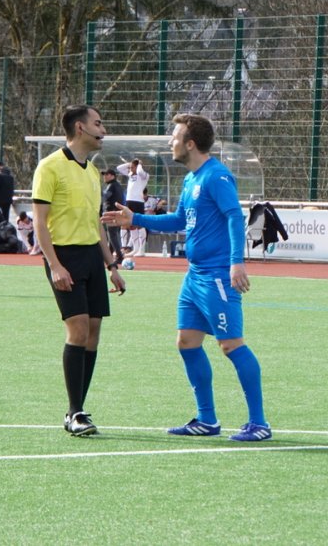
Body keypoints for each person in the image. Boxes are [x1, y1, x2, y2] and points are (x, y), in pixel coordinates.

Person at [102, 113, 271, 442]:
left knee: (230, 344)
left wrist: (236, 263)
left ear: (190, 144)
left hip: (217, 275)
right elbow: (180, 219)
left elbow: (234, 217)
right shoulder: (192, 180)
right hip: (194, 276)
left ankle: (259, 423)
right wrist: (136, 218)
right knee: (187, 343)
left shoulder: (216, 176)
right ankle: (207, 420)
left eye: (175, 137)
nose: (171, 142)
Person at [31, 105, 126, 437]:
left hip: (91, 258)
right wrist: (54, 265)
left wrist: (112, 265)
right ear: (80, 128)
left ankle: (78, 409)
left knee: (93, 333)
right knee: (78, 330)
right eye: (98, 123)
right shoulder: (49, 166)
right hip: (64, 257)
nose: (104, 130)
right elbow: (40, 223)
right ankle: (74, 413)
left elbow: (96, 224)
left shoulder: (93, 172)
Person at [117, 158, 149, 256]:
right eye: (130, 167)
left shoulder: (144, 175)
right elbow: (119, 168)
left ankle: (141, 250)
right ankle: (135, 249)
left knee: (140, 225)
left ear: (138, 167)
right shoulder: (130, 174)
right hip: (129, 201)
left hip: (138, 201)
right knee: (131, 225)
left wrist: (139, 164)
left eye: (132, 167)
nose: (130, 169)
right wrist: (129, 163)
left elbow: (139, 171)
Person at [102, 168, 125, 264]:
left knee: (112, 235)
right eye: (104, 174)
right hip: (117, 213)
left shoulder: (111, 186)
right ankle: (109, 255)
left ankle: (119, 256)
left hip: (111, 212)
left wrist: (97, 192)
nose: (104, 176)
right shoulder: (118, 185)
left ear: (112, 176)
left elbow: (104, 197)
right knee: (112, 234)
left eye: (106, 174)